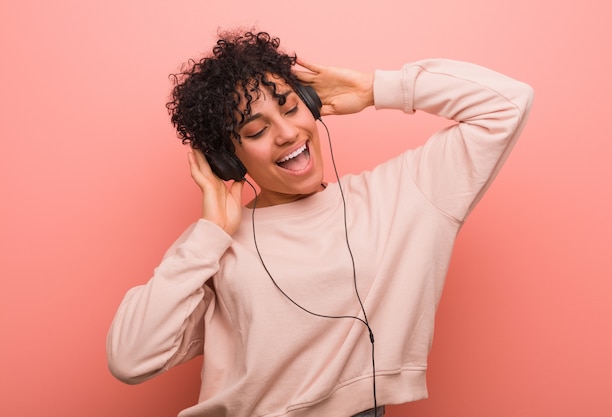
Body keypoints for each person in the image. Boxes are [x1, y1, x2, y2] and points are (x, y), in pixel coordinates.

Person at [107, 30, 533, 417]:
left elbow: (508, 104)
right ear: (229, 160)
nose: (288, 134)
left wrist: (375, 89)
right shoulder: (216, 244)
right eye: (256, 131)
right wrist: (209, 235)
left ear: (312, 108)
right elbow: (130, 359)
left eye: (292, 108)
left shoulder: (403, 195)